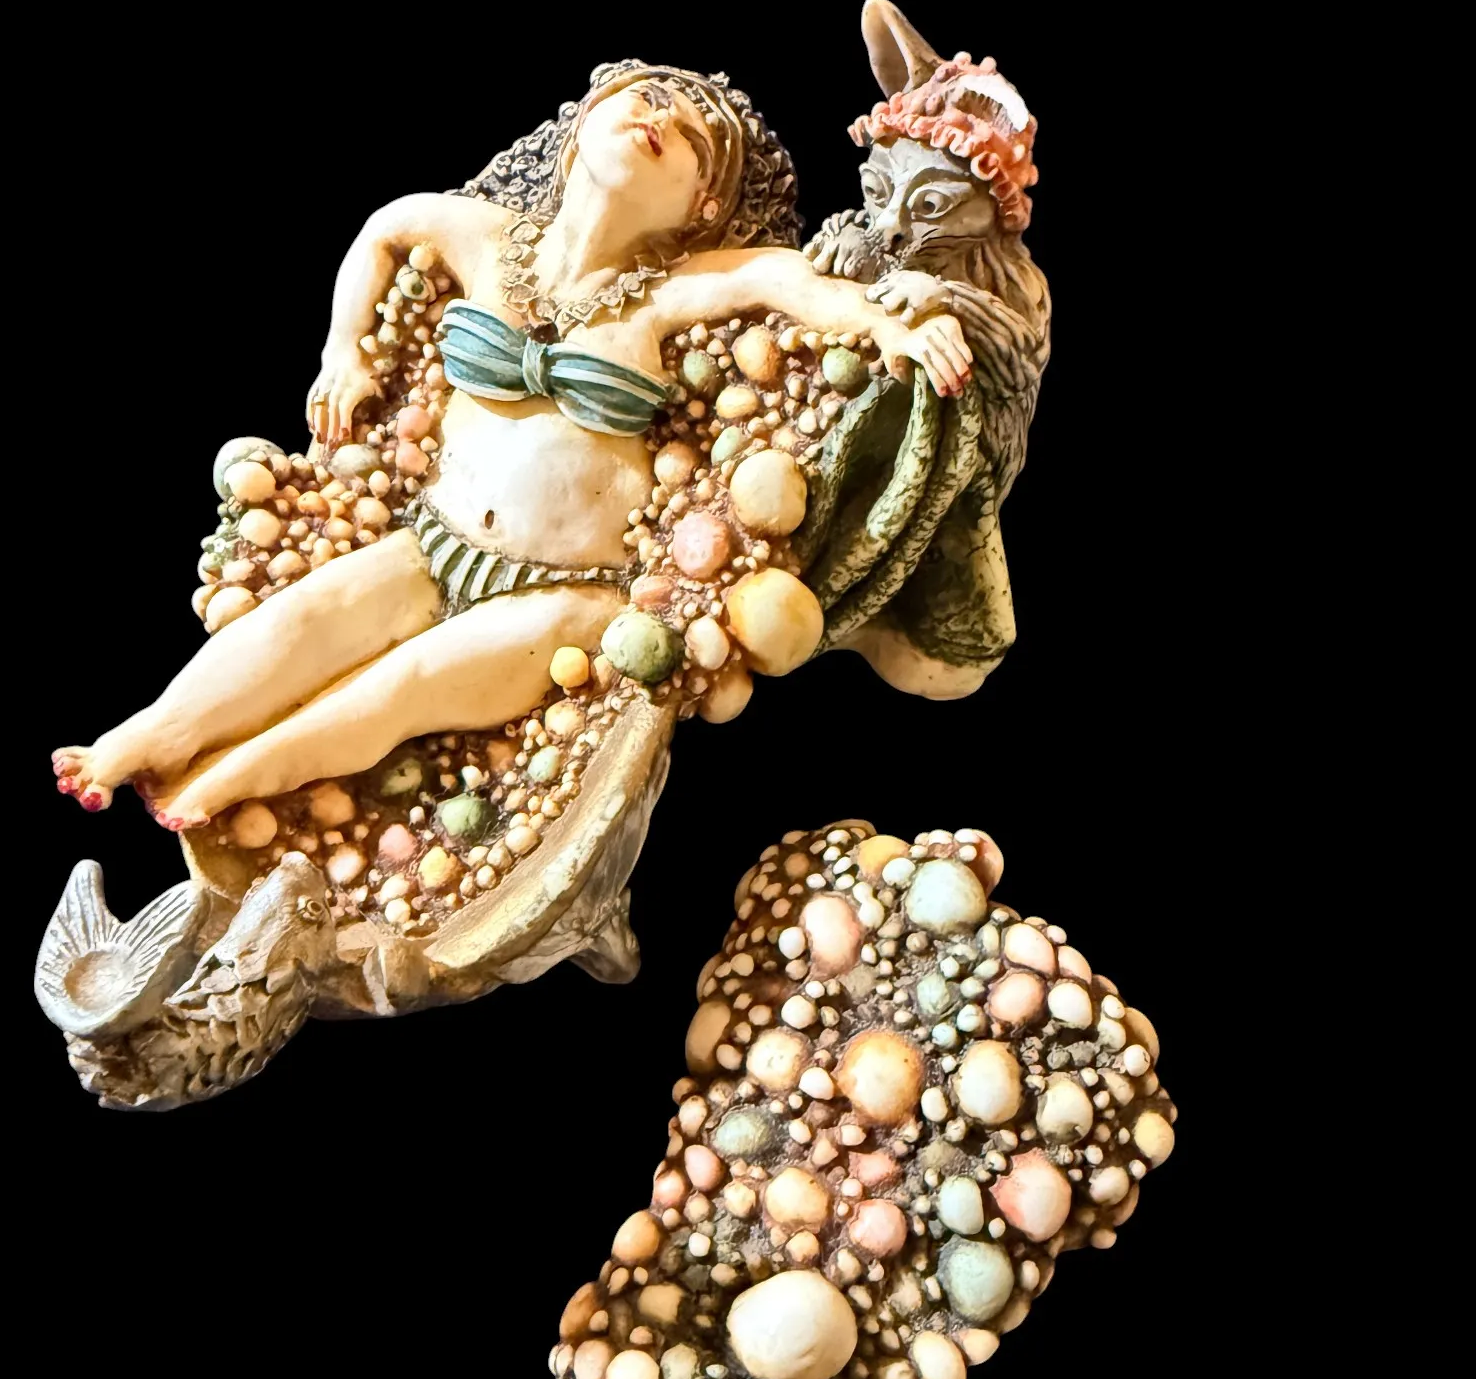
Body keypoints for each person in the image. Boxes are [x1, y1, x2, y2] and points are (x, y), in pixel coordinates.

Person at [53, 62, 969, 826]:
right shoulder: (484, 238)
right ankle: (144, 737)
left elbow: (791, 283)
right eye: (648, 97)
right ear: (584, 121)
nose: (660, 119)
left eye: (693, 137)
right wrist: (343, 355)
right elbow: (385, 229)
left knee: (403, 686)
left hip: (568, 591)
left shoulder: (674, 290)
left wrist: (894, 326)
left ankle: (228, 785)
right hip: (436, 542)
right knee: (300, 621)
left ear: (701, 205)